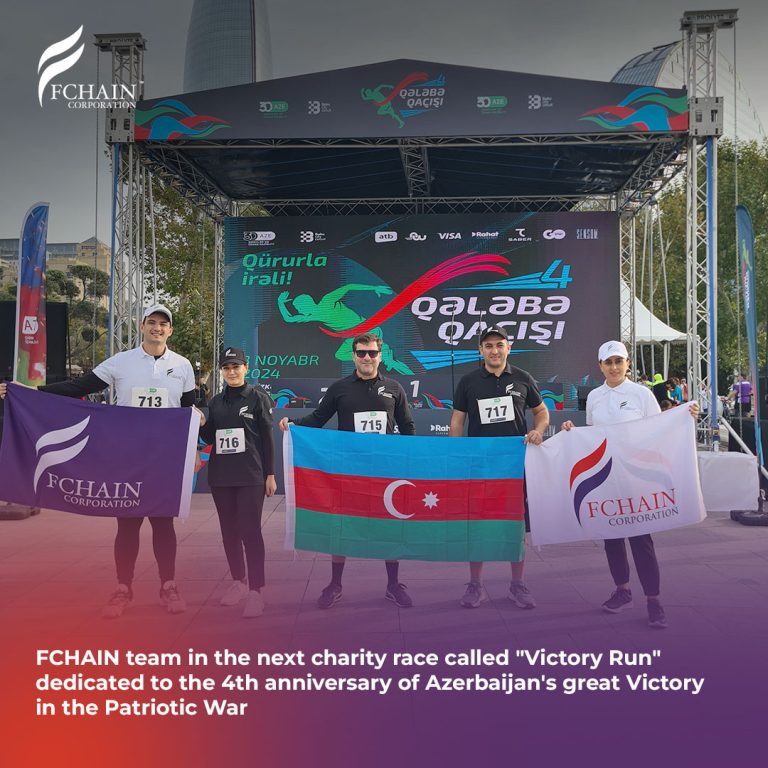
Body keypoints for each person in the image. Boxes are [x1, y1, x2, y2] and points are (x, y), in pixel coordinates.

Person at [1, 304, 196, 619]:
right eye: (151, 322)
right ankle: (123, 589)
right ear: (142, 326)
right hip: (128, 457)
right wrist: (32, 391)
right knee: (128, 523)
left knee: (163, 523)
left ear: (170, 330)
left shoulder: (183, 366)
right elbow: (80, 387)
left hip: (163, 459)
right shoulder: (121, 361)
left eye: (163, 324)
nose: (157, 328)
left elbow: (189, 409)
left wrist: (197, 436)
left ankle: (168, 586)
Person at [561, 340, 699, 629]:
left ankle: (654, 600)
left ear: (628, 364)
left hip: (637, 477)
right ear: (600, 366)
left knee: (640, 539)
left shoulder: (641, 394)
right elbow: (594, 435)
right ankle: (622, 591)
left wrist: (683, 417)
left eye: (618, 361)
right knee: (610, 535)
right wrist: (573, 431)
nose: (614, 367)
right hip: (606, 477)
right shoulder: (595, 397)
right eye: (608, 362)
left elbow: (658, 428)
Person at [279, 332, 416, 608]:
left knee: (390, 528)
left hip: (384, 473)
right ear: (353, 356)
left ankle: (393, 585)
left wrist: (409, 459)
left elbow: (408, 427)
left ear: (380, 356)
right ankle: (335, 584)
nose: (367, 357)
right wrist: (293, 425)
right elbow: (318, 418)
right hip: (349, 472)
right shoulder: (340, 388)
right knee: (340, 528)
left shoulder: (394, 388)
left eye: (372, 353)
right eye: (361, 353)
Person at [449, 325, 549, 609]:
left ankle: (517, 585)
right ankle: (475, 585)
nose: (494, 350)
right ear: (480, 350)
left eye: (499, 345)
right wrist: (457, 456)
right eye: (489, 346)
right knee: (477, 525)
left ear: (508, 348)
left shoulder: (523, 378)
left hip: (513, 466)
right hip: (480, 466)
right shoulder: (468, 381)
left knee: (514, 525)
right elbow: (457, 421)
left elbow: (541, 412)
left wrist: (539, 430)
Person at [199, 347, 276, 618]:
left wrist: (270, 474)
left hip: (251, 475)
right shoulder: (215, 402)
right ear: (221, 371)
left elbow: (267, 437)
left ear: (245, 368)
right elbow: (209, 437)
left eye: (236, 367)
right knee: (229, 532)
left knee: (250, 531)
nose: (231, 372)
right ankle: (238, 582)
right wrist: (200, 422)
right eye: (226, 368)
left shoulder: (257, 397)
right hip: (221, 476)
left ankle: (256, 591)